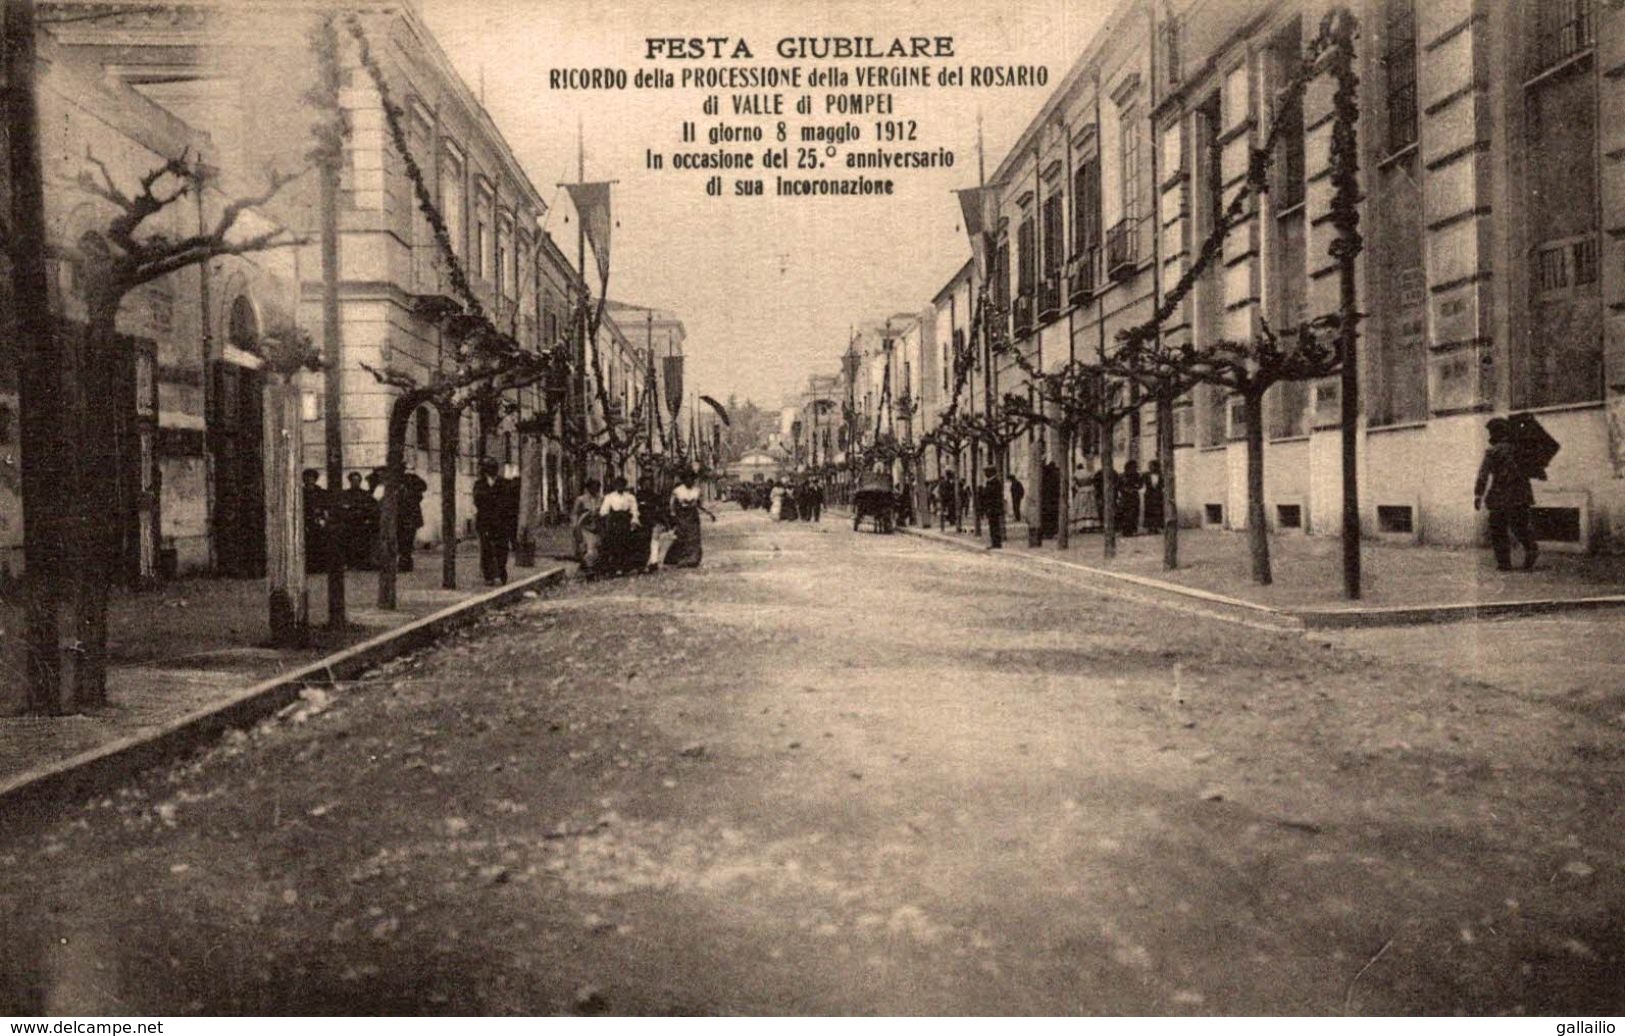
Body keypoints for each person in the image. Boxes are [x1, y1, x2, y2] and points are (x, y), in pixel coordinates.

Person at [1475, 416, 1538, 571]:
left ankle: (1504, 563)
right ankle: (1531, 550)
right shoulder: (1521, 450)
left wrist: (1478, 495)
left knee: (1498, 530)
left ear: (1495, 433)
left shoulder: (1492, 452)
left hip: (1499, 496)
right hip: (1520, 495)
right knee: (1521, 527)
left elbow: (1483, 475)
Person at [664, 469, 717, 568]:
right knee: (681, 536)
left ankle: (692, 559)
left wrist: (709, 513)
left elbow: (699, 505)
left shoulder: (696, 491)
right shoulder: (677, 491)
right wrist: (673, 516)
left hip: (693, 516)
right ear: (684, 479)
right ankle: (677, 559)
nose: (690, 481)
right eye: (687, 478)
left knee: (694, 537)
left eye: (692, 479)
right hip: (681, 516)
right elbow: (672, 505)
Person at [473, 459, 510, 586]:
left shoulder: (504, 483)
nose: (492, 470)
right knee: (486, 549)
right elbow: (478, 500)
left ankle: (501, 570)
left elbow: (507, 501)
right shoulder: (479, 484)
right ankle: (488, 576)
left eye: (494, 467)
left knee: (502, 548)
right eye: (489, 468)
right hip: (485, 522)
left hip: (502, 522)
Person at [597, 476, 641, 576]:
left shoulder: (630, 497)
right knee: (614, 542)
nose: (620, 487)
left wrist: (634, 521)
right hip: (614, 521)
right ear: (615, 486)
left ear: (625, 485)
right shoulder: (610, 497)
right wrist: (607, 518)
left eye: (622, 485)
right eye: (617, 485)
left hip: (626, 520)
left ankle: (627, 566)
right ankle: (614, 566)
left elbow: (634, 510)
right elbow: (604, 511)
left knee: (628, 541)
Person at [340, 471, 379, 569]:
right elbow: (343, 508)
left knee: (363, 542)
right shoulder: (345, 494)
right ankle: (350, 562)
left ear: (360, 481)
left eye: (357, 480)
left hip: (363, 522)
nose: (355, 483)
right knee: (348, 542)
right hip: (349, 523)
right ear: (350, 481)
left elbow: (372, 508)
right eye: (353, 480)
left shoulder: (366, 494)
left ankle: (362, 562)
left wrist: (366, 516)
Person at [301, 469, 330, 574]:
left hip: (320, 520)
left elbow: (326, 507)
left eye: (312, 478)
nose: (310, 480)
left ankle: (321, 566)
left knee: (322, 542)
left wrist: (325, 519)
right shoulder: (301, 493)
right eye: (307, 478)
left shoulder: (321, 492)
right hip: (307, 520)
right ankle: (310, 567)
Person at [571, 478, 603, 575]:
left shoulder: (602, 499)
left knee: (599, 546)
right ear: (588, 488)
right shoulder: (581, 500)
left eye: (597, 487)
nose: (595, 490)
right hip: (586, 527)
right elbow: (575, 514)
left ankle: (596, 566)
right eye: (593, 487)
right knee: (589, 548)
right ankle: (589, 569)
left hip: (598, 527)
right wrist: (575, 526)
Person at [978, 464, 1005, 549]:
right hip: (991, 508)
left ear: (991, 473)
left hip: (993, 508)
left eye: (987, 472)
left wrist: (983, 492)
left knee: (994, 526)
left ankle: (996, 543)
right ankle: (995, 542)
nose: (985, 474)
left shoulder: (994, 482)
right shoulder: (991, 482)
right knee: (993, 525)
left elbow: (993, 495)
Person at [1116, 459, 1142, 537]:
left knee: (1133, 513)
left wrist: (1135, 488)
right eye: (1133, 467)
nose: (1134, 469)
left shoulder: (1137, 475)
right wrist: (1124, 490)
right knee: (1124, 513)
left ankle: (1132, 530)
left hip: (1134, 496)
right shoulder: (1121, 476)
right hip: (1125, 497)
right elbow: (1118, 486)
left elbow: (1140, 485)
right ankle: (1125, 530)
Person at [1142, 460, 1165, 534]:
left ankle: (1156, 527)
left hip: (1158, 495)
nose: (1150, 467)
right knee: (1149, 511)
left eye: (1151, 466)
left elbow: (1163, 484)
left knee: (1157, 511)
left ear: (1156, 466)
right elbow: (1141, 483)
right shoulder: (1145, 475)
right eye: (1149, 466)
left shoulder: (1161, 475)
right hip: (1149, 495)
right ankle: (1150, 528)